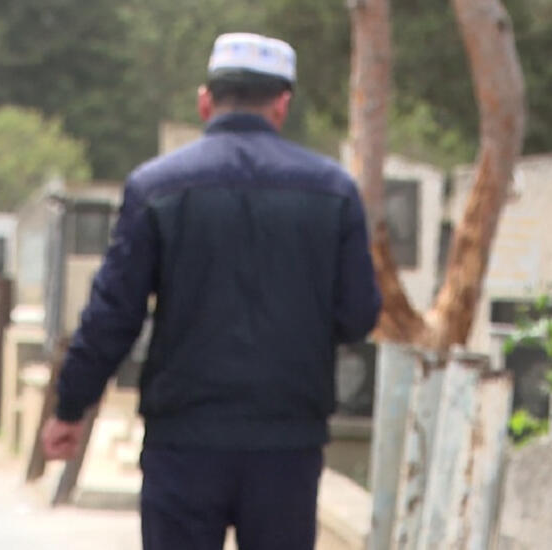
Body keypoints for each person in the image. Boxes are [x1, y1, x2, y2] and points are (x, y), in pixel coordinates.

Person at [42, 32, 381, 550]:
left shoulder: (156, 188)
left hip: (183, 439)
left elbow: (113, 314)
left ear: (206, 101)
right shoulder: (333, 191)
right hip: (287, 440)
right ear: (282, 105)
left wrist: (71, 407)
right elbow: (358, 314)